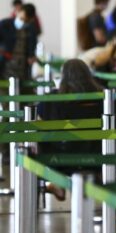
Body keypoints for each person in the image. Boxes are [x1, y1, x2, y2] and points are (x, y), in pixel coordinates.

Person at [37, 59, 104, 200]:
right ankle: (99, 175)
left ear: (63, 77)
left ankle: (57, 181)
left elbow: (40, 125)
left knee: (38, 134)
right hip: (99, 157)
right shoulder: (104, 98)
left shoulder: (52, 99)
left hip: (60, 159)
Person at [0, 3, 39, 80]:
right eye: (21, 19)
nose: (23, 22)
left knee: (22, 88)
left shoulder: (31, 29)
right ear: (18, 12)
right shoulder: (5, 24)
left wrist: (31, 56)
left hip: (23, 68)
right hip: (5, 65)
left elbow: (32, 47)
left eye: (26, 21)